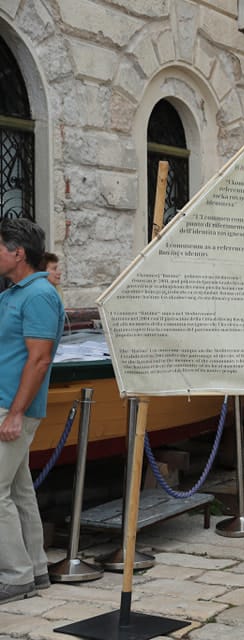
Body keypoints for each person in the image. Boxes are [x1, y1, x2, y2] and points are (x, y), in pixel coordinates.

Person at [0, 219, 65, 604]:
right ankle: (35, 568)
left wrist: (15, 413)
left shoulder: (39, 294)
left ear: (17, 253)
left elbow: (39, 360)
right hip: (9, 403)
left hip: (12, 405)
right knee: (20, 490)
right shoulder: (14, 293)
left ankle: (14, 575)